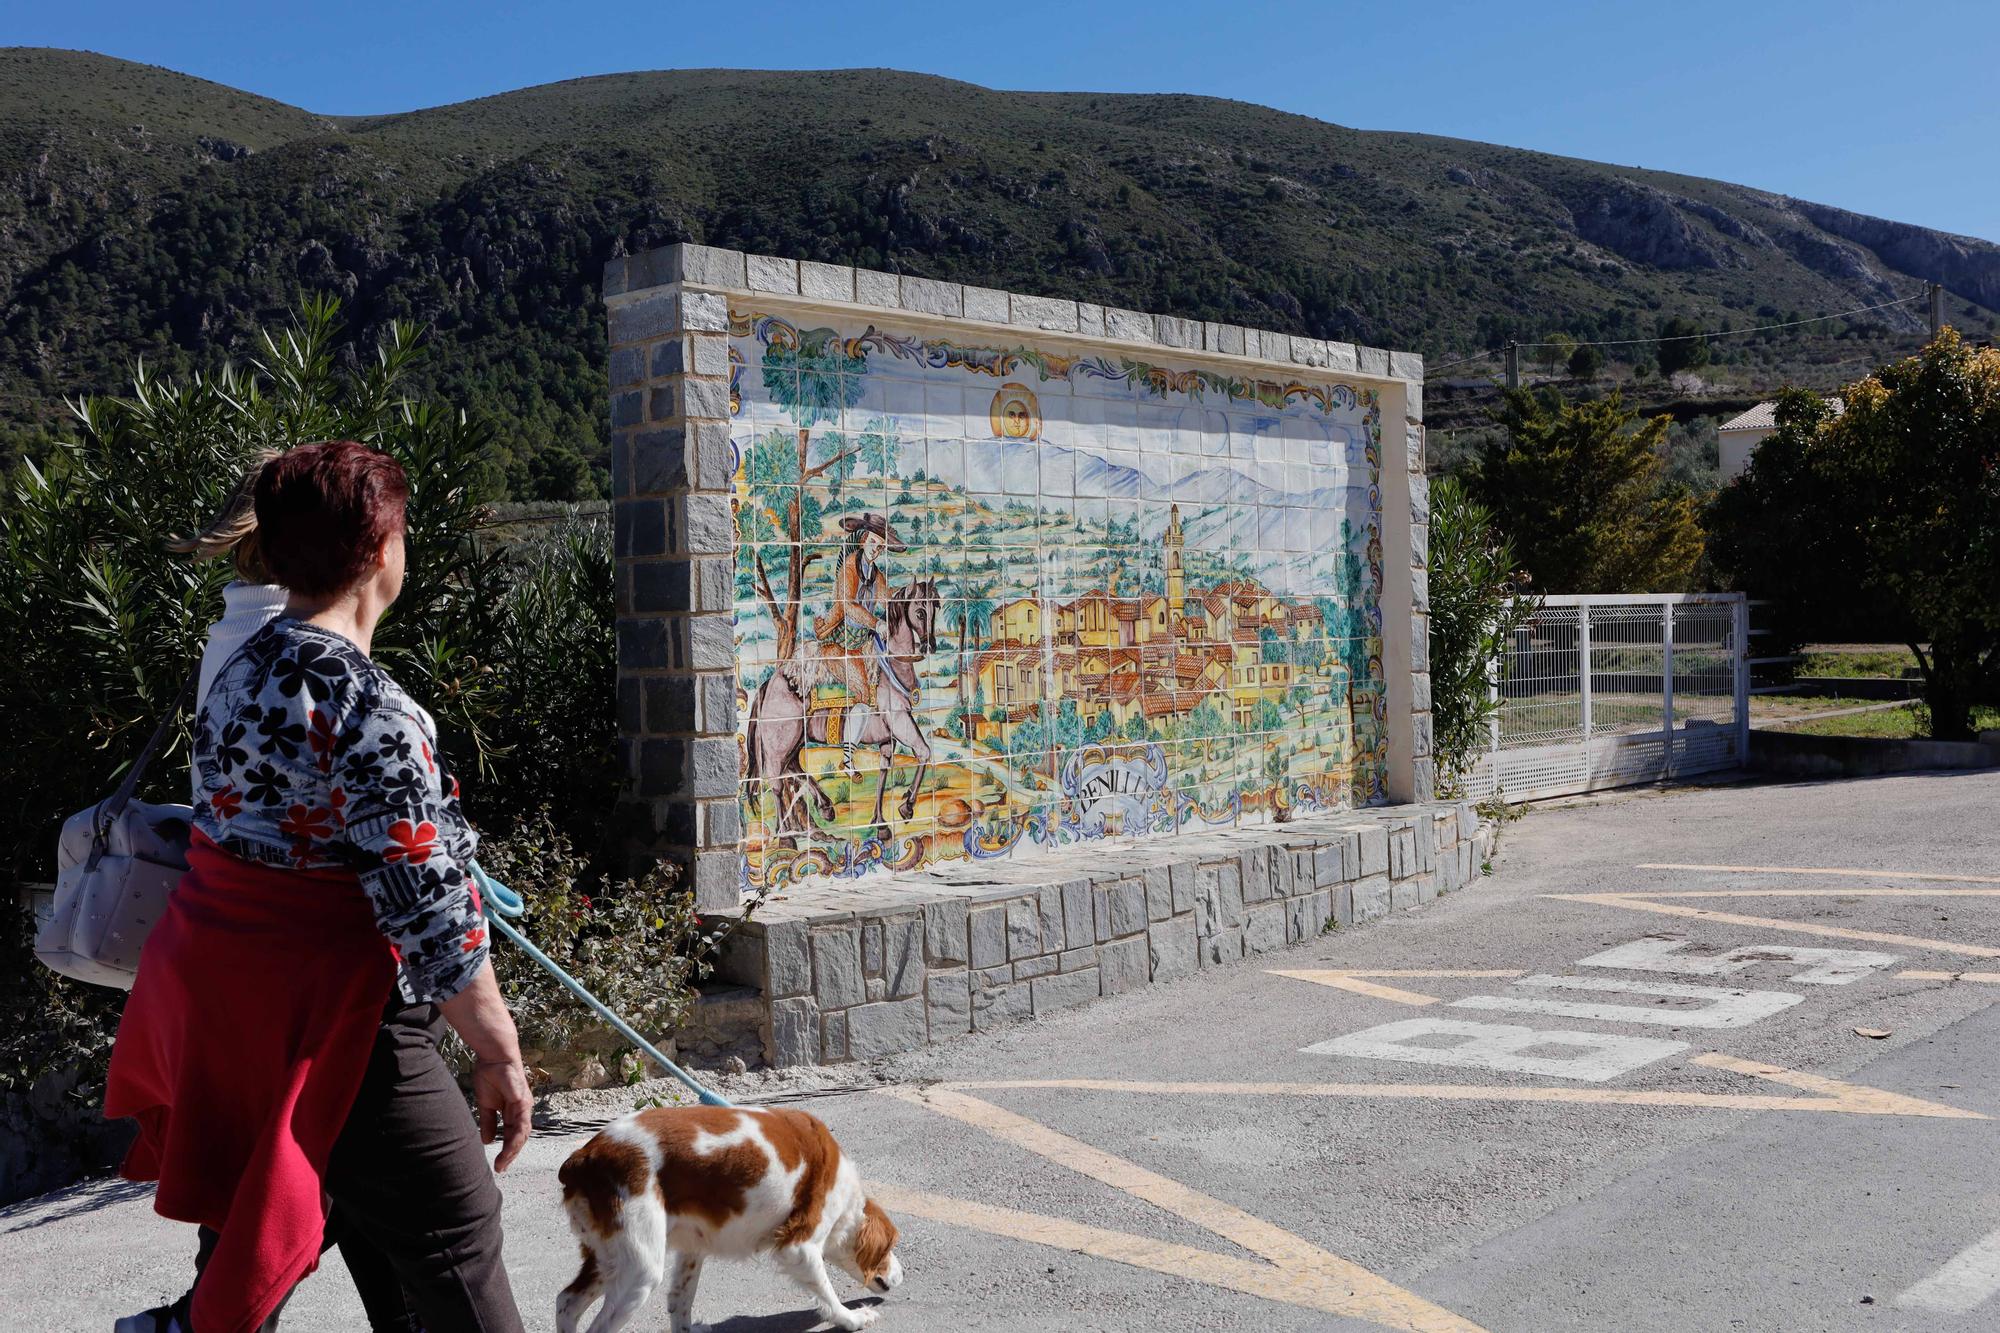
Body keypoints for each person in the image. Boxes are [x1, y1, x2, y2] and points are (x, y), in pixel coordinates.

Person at [105, 440, 530, 1333]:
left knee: (352, 1214)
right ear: (382, 551)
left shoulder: (240, 672)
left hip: (232, 1006)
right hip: (342, 1016)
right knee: (456, 1227)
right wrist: (498, 1050)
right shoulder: (369, 705)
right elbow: (425, 902)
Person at [814, 513, 904, 769]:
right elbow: (849, 606)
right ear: (864, 539)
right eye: (875, 542)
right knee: (863, 694)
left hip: (858, 644)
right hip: (837, 644)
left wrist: (906, 599)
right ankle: (847, 760)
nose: (878, 549)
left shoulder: (877, 575)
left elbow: (887, 600)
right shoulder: (849, 568)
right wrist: (876, 623)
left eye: (882, 545)